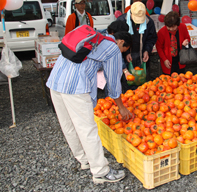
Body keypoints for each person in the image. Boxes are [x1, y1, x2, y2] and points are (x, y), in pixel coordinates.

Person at [46, 31, 133, 184]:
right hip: (75, 86)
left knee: (68, 125)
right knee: (88, 129)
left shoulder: (94, 35)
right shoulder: (112, 48)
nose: (120, 53)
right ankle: (101, 172)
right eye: (123, 50)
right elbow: (113, 82)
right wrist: (121, 107)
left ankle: (84, 160)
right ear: (120, 42)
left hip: (55, 79)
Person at [117, 2, 157, 81]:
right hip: (126, 55)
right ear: (131, 13)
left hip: (141, 54)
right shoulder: (121, 21)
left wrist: (147, 50)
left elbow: (151, 38)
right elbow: (118, 41)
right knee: (127, 80)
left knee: (141, 81)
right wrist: (126, 52)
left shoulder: (149, 22)